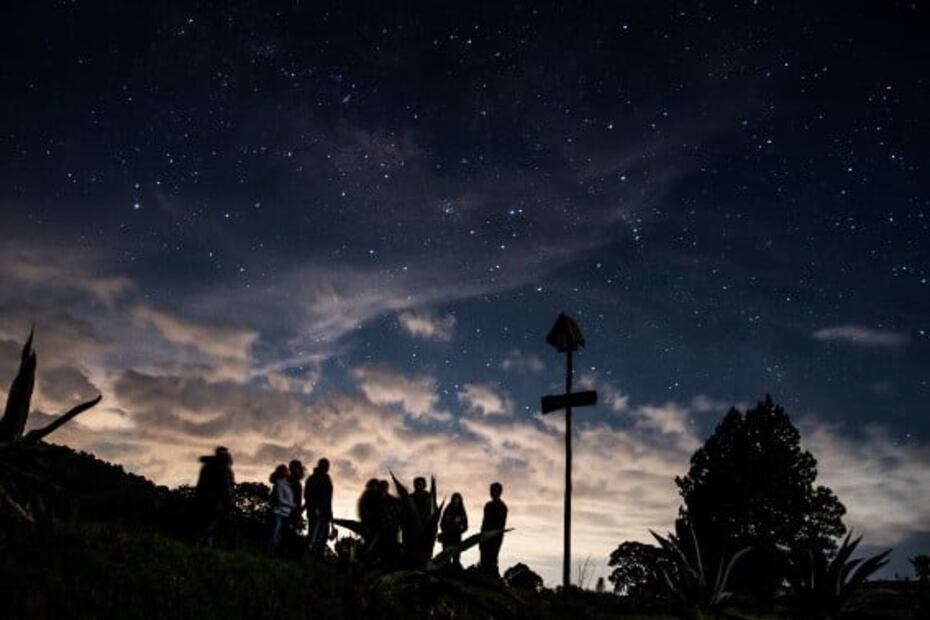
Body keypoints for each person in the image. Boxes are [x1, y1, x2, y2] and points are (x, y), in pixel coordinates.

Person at [194, 446, 235, 547]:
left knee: (209, 523)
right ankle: (198, 542)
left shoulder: (208, 466)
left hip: (207, 499)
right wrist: (227, 501)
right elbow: (225, 487)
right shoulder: (223, 468)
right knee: (211, 524)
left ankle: (206, 545)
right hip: (217, 501)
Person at [304, 457, 333, 557]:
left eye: (328, 466)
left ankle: (315, 556)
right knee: (313, 535)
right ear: (320, 466)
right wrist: (314, 508)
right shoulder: (313, 478)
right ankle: (307, 555)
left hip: (325, 513)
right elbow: (308, 495)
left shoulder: (327, 480)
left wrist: (330, 513)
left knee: (321, 537)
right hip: (315, 512)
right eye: (325, 466)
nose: (327, 468)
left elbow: (329, 498)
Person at [479, 482, 508, 576]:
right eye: (491, 490)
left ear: (500, 492)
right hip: (484, 536)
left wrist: (496, 539)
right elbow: (484, 522)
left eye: (494, 490)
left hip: (495, 538)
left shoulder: (502, 507)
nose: (492, 492)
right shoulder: (488, 505)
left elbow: (501, 526)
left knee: (491, 560)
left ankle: (493, 579)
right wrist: (481, 537)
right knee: (483, 559)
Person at [267, 464, 295, 554]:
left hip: (285, 513)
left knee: (279, 534)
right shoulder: (280, 483)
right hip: (278, 512)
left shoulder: (288, 484)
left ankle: (274, 552)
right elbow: (280, 499)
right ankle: (270, 552)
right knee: (275, 533)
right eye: (286, 470)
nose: (288, 472)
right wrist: (291, 505)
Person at [439, 492, 468, 570]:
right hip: (447, 536)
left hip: (456, 537)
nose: (456, 500)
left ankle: (455, 571)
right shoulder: (448, 509)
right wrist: (445, 530)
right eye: (454, 498)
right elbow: (442, 523)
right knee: (446, 556)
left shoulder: (462, 511)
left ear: (460, 500)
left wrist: (459, 530)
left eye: (457, 499)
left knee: (456, 556)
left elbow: (465, 526)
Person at [285, 459, 306, 558]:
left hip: (292, 513)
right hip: (287, 512)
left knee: (289, 534)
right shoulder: (289, 482)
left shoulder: (297, 483)